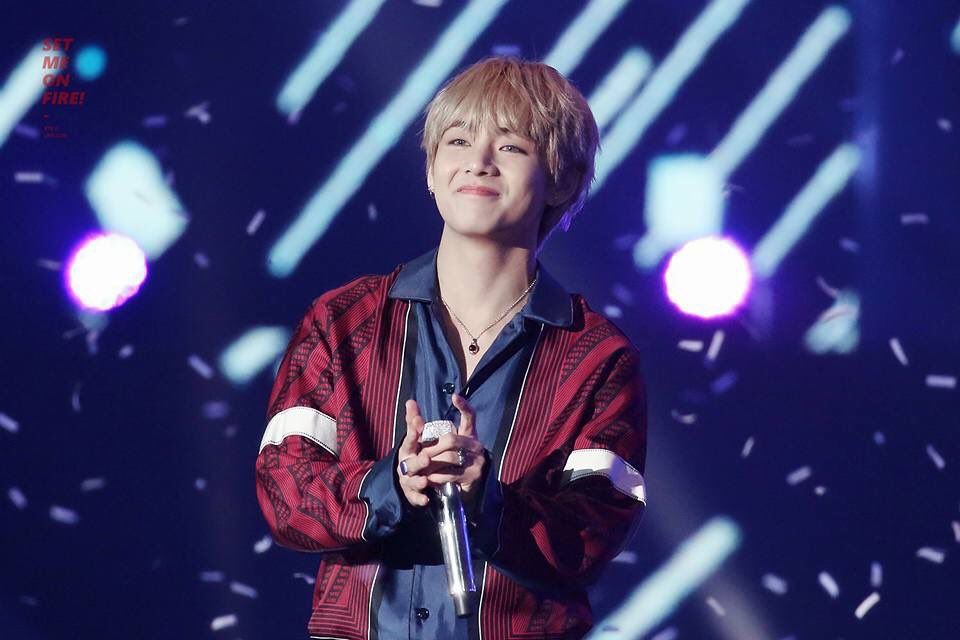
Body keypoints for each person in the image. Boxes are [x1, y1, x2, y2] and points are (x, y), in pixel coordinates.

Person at [255, 56, 648, 640]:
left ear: (563, 179)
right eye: (458, 141)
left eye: (510, 146)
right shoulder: (342, 322)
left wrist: (488, 499)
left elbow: (591, 534)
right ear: (432, 170)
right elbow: (284, 491)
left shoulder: (595, 357)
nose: (478, 162)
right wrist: (393, 484)